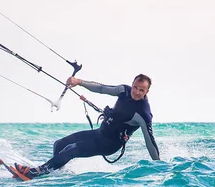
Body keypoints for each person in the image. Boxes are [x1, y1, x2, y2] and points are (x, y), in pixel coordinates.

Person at [13, 74, 160, 179]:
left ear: (147, 91)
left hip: (110, 144)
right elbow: (102, 88)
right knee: (60, 144)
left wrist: (159, 166)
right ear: (132, 84)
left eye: (141, 90)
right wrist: (79, 82)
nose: (136, 92)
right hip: (100, 133)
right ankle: (54, 173)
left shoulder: (143, 113)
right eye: (135, 87)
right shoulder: (123, 91)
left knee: (72, 149)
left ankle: (35, 173)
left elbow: (150, 142)